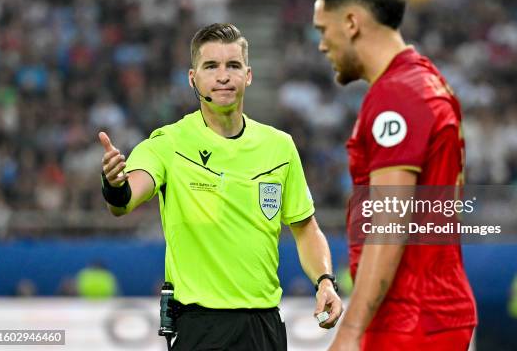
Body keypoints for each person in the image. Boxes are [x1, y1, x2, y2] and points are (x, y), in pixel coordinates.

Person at [98, 23, 342, 350]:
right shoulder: (168, 143)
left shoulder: (279, 147)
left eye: (233, 66)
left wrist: (325, 281)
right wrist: (114, 184)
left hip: (264, 325)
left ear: (249, 75)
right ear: (192, 78)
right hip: (200, 326)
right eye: (211, 66)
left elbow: (305, 228)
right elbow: (124, 200)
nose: (223, 76)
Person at [312, 0, 477, 350]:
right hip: (428, 310)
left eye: (323, 29)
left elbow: (389, 223)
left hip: (409, 317)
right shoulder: (426, 81)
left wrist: (350, 333)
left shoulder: (397, 95)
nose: (321, 44)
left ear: (351, 22)